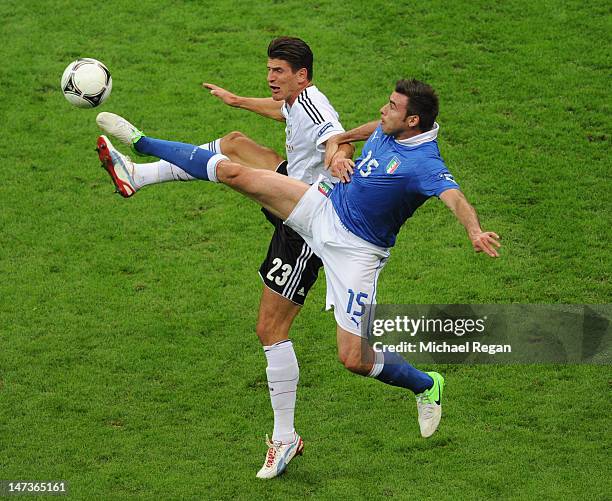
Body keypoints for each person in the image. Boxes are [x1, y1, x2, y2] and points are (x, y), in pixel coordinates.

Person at [95, 78, 501, 479]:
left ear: (412, 120)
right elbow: (355, 133)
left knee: (354, 359)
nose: (383, 110)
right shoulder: (388, 127)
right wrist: (340, 148)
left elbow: (455, 198)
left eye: (391, 107)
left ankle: (427, 384)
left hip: (356, 253)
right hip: (323, 208)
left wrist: (473, 231)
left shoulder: (426, 164)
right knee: (237, 174)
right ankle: (141, 143)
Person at [96, 37, 355, 479]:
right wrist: (237, 102)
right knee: (234, 143)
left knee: (270, 329)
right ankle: (138, 176)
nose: (270, 77)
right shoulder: (298, 101)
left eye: (278, 71)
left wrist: (337, 156)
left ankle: (284, 437)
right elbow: (285, 113)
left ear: (303, 76)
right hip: (292, 185)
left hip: (306, 227)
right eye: (269, 69)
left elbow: (336, 137)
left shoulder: (318, 108)